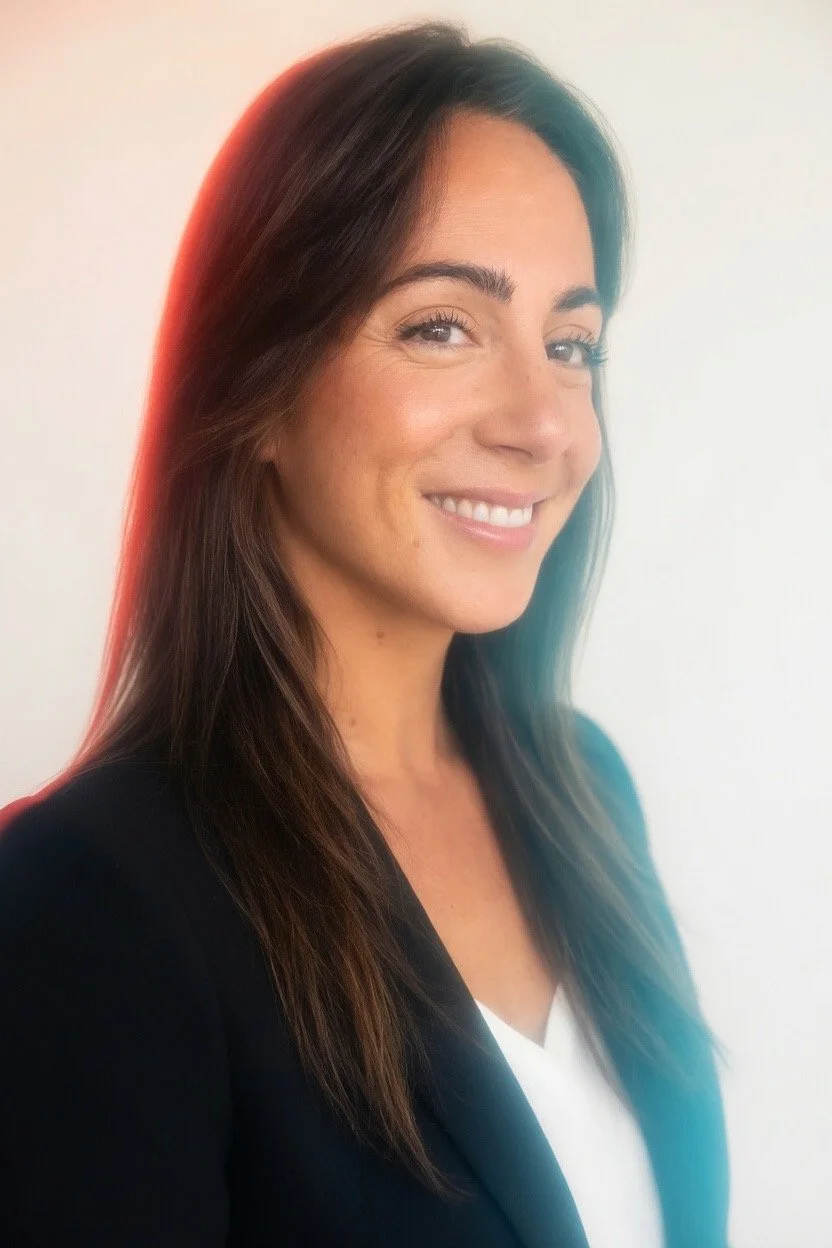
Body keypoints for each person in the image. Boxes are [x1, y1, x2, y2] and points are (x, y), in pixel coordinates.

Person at [0, 19, 730, 1248]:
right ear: (259, 394)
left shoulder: (583, 793)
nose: (543, 422)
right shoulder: (82, 901)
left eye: (569, 345)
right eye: (442, 326)